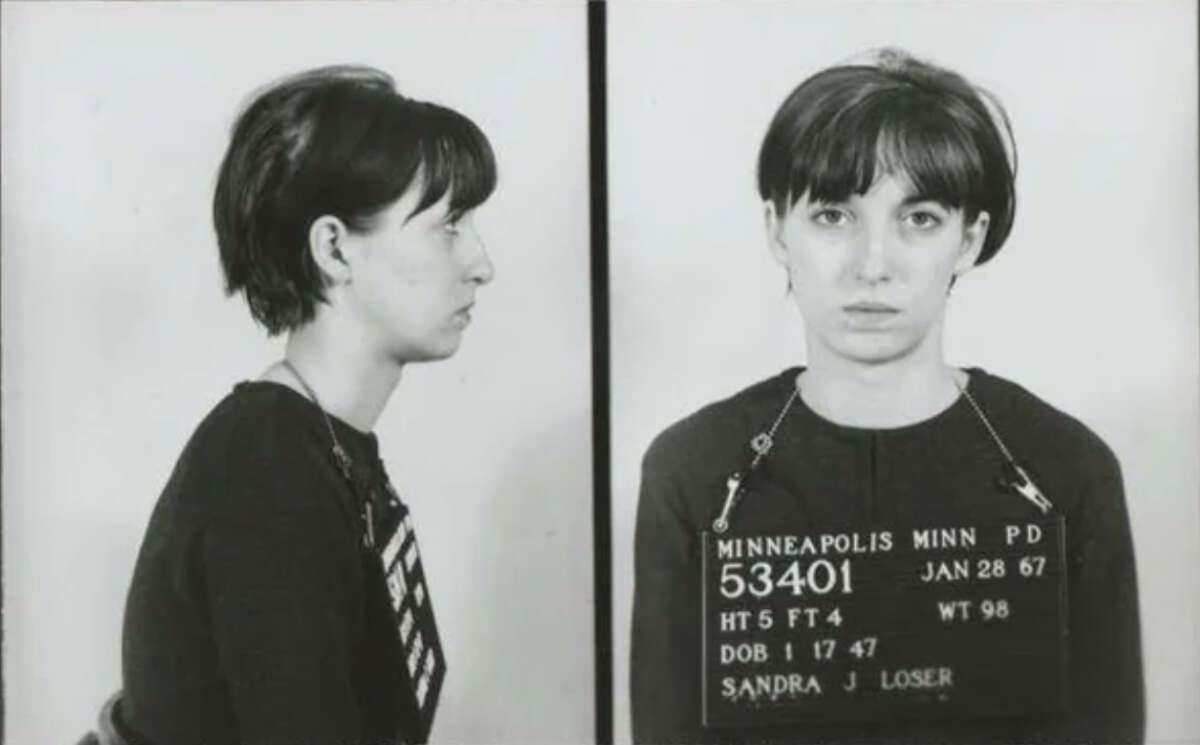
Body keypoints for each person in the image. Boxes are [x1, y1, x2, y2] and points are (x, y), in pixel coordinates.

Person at [630, 49, 1144, 744]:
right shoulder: (692, 471)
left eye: (920, 218)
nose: (873, 266)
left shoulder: (1066, 470)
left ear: (970, 238)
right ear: (777, 227)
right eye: (834, 215)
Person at [114, 65, 496, 745]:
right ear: (334, 248)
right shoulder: (269, 469)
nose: (480, 262)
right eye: (449, 226)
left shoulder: (318, 447)